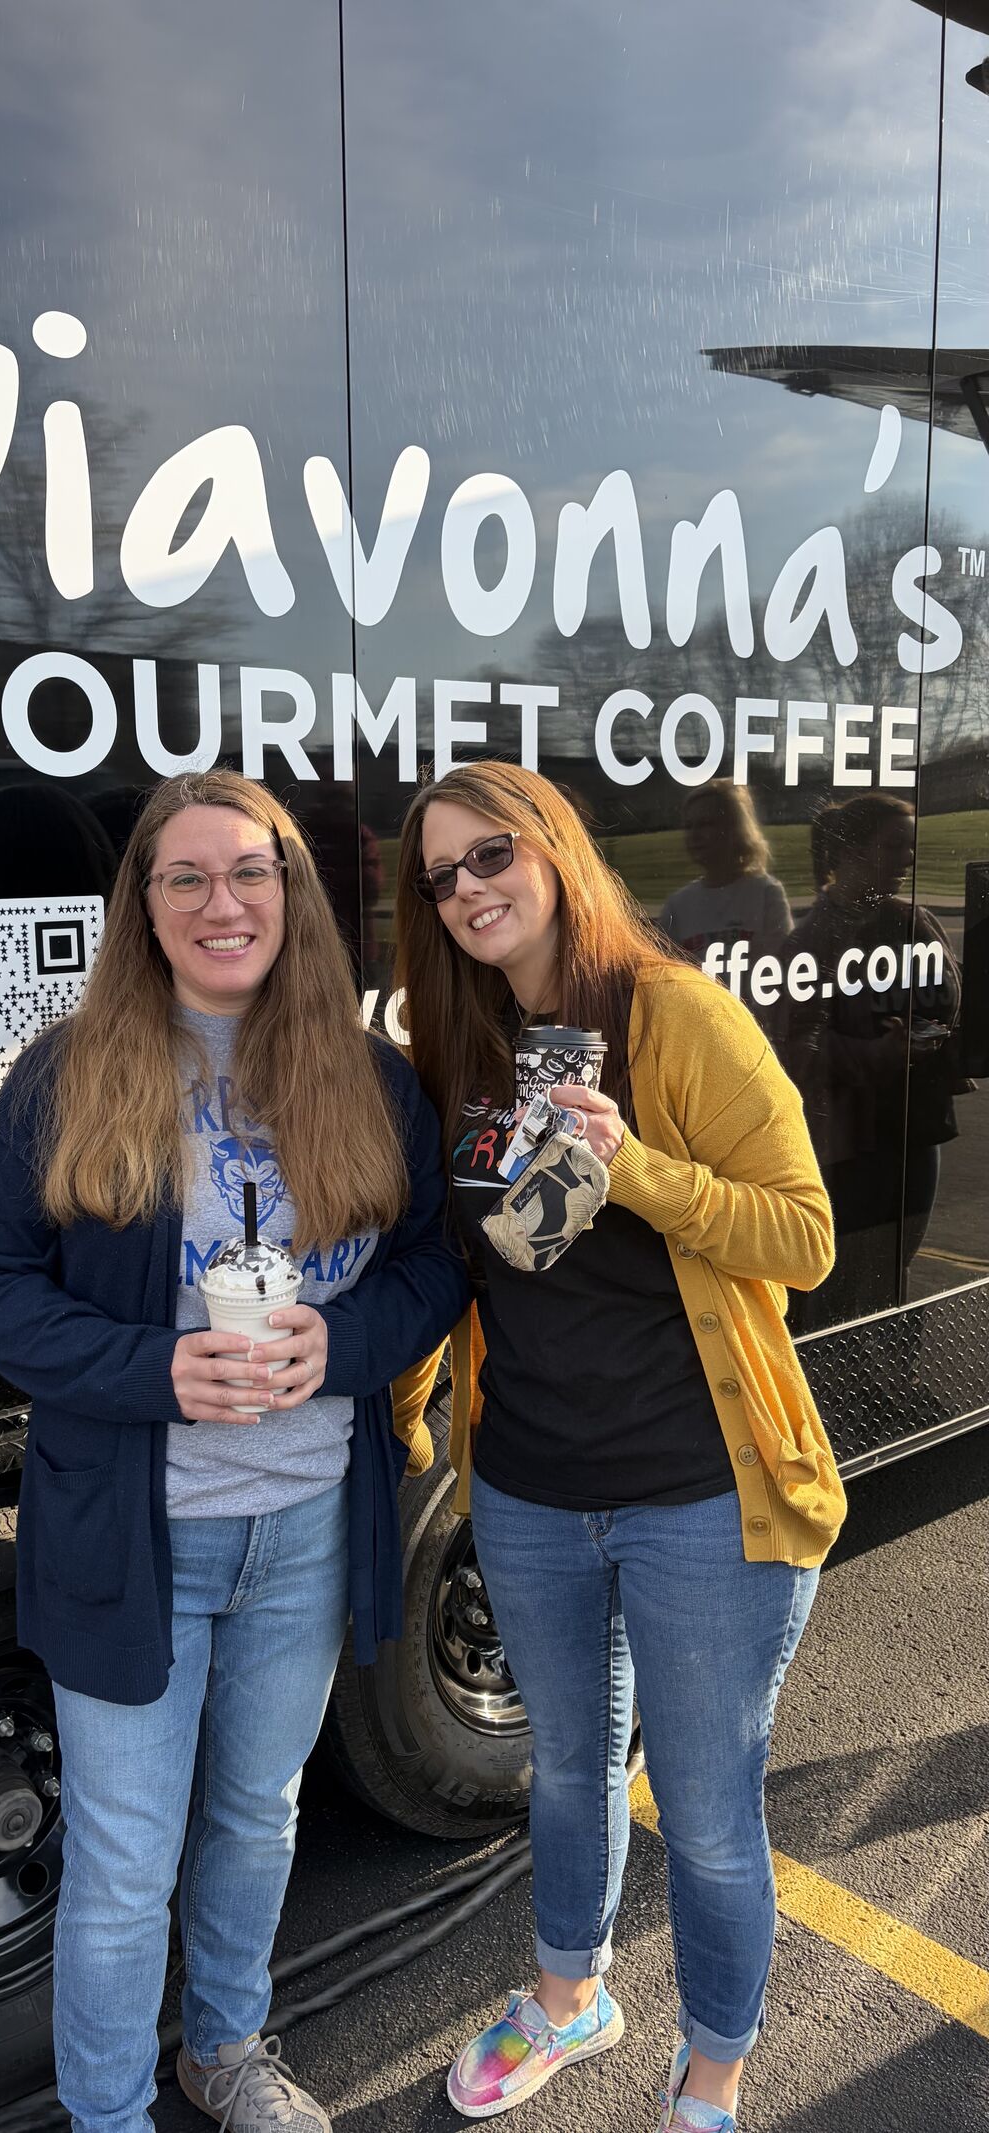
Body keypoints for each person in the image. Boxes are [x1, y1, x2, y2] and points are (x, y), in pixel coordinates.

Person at [0, 769, 467, 2133]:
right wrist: (155, 1368)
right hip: (137, 1535)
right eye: (185, 876)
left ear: (293, 894)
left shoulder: (370, 1077)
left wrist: (340, 1352)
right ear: (146, 906)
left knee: (258, 1820)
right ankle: (109, 2113)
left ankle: (225, 2050)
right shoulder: (74, 1073)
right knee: (122, 1869)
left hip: (304, 1529)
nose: (221, 901)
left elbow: (431, 1267)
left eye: (252, 871)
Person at [391, 762, 844, 2133]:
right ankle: (570, 1994)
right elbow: (467, 1262)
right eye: (439, 876)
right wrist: (408, 1399)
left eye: (489, 857)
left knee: (707, 1817)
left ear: (553, 851)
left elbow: (804, 1236)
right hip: (530, 1490)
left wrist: (635, 1163)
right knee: (569, 1773)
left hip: (701, 1496)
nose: (467, 890)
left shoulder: (675, 1017)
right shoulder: (451, 1043)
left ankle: (711, 2071)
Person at [775, 793, 966, 1326]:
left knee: (896, 1274)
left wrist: (934, 1035)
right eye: (894, 847)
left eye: (910, 847)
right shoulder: (809, 941)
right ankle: (842, 1392)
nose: (908, 859)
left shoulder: (915, 923)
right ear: (852, 852)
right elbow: (794, 1044)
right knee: (841, 1282)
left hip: (914, 1128)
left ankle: (896, 1385)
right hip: (849, 1138)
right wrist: (874, 1055)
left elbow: (951, 999)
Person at [658, 781, 791, 976]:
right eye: (689, 826)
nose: (694, 835)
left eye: (705, 824)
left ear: (734, 829)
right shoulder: (677, 907)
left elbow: (782, 973)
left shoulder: (766, 894)